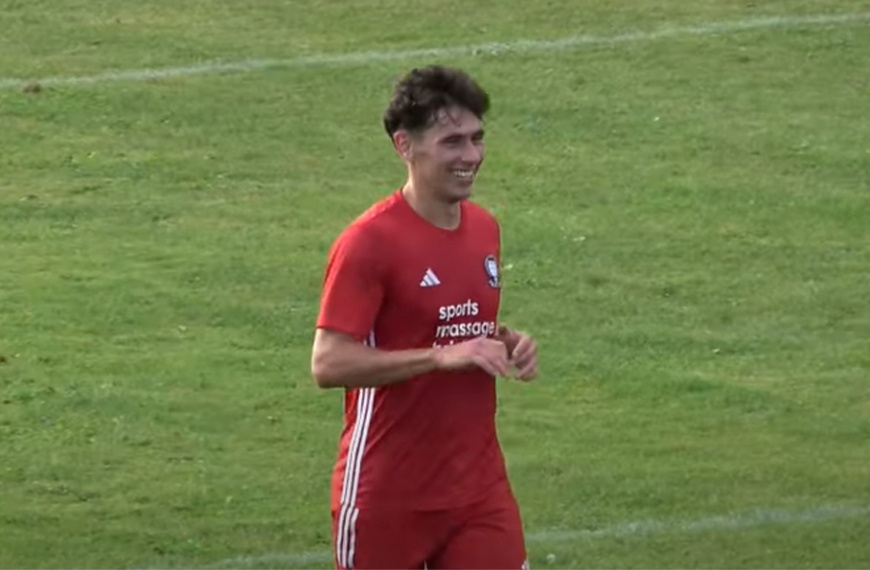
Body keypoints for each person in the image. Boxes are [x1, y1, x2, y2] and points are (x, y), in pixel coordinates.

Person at [311, 64, 539, 570]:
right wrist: (440, 356)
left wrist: (505, 341)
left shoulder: (484, 230)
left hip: (479, 490)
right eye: (452, 141)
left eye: (477, 138)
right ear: (404, 146)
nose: (472, 156)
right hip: (388, 496)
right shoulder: (368, 243)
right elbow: (328, 363)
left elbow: (456, 328)